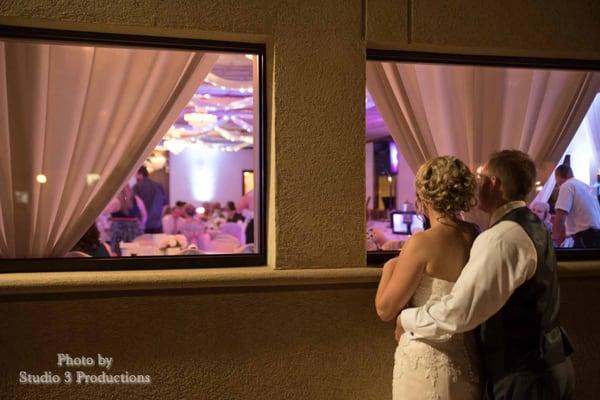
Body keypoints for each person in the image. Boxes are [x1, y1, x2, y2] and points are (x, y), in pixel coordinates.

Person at [396, 150, 574, 400]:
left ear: (494, 183)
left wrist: (407, 319)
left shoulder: (501, 238)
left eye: (481, 177)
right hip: (554, 365)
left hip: (525, 377)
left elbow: (460, 311)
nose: (476, 184)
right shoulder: (533, 226)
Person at [375, 155, 481, 399]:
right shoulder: (473, 234)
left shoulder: (421, 243)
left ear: (423, 197)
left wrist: (391, 266)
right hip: (467, 359)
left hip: (425, 362)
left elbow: (385, 309)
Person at [552, 164, 600, 248]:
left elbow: (561, 213)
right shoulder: (584, 186)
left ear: (557, 176)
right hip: (595, 234)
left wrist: (554, 239)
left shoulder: (567, 186)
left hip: (585, 236)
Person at [104, 185, 147, 255]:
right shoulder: (136, 199)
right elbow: (144, 215)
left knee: (118, 252)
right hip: (133, 229)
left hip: (118, 230)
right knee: (133, 252)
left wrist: (106, 225)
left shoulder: (116, 201)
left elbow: (102, 212)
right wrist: (141, 226)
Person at [133, 166, 167, 233]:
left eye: (135, 174)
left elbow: (134, 206)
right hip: (157, 225)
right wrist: (159, 217)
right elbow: (165, 206)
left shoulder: (137, 187)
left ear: (140, 174)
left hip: (143, 226)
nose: (135, 177)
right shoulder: (159, 186)